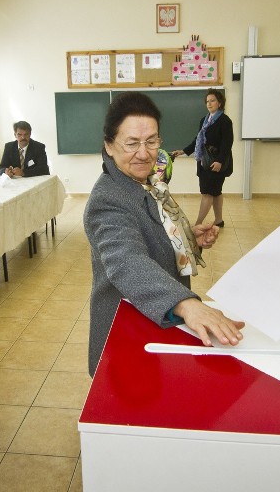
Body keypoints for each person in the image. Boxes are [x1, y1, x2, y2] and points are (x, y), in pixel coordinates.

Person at [84, 92, 244, 376]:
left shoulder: (145, 182)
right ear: (109, 145)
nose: (144, 153)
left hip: (153, 316)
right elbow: (127, 261)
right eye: (132, 143)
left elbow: (151, 233)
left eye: (152, 141)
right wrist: (187, 304)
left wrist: (187, 238)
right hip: (125, 327)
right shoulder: (107, 200)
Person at [170, 89, 233, 227]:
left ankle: (198, 223)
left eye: (213, 100)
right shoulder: (204, 120)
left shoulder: (224, 121)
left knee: (207, 193)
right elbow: (198, 140)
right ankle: (219, 220)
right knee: (216, 192)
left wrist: (219, 161)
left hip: (216, 163)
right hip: (205, 162)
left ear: (220, 102)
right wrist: (184, 151)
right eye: (207, 101)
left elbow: (227, 144)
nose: (209, 104)